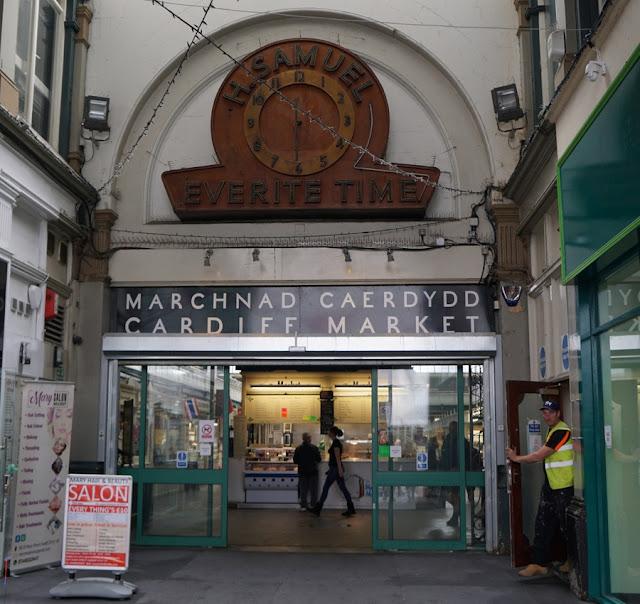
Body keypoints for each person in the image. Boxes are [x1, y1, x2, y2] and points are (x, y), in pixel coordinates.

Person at [506, 400, 574, 577]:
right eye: (544, 412)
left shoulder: (562, 432)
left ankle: (571, 562)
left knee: (566, 527)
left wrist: (516, 458)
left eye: (550, 412)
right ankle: (538, 563)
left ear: (558, 413)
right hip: (552, 485)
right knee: (543, 524)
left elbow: (540, 455)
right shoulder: (552, 430)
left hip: (564, 487)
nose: (546, 416)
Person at [309, 426, 356, 517]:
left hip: (335, 470)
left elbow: (337, 458)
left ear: (332, 433)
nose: (328, 433)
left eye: (329, 432)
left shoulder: (336, 443)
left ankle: (318, 509)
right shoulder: (335, 442)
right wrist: (338, 469)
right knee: (343, 489)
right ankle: (351, 508)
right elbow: (336, 458)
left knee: (326, 488)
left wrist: (339, 470)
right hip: (335, 469)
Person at [293, 432, 321, 510]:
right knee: (313, 490)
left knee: (303, 490)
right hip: (313, 471)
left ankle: (303, 506)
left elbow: (295, 461)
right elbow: (319, 459)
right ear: (309, 439)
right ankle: (313, 505)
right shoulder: (314, 448)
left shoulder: (298, 448)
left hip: (302, 472)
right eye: (310, 438)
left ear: (303, 439)